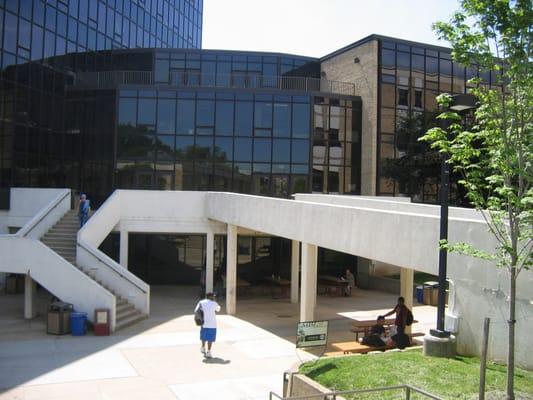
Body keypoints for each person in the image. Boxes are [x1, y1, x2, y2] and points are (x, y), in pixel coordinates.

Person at [194, 292, 220, 358]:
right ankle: (208, 351)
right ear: (210, 297)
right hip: (212, 324)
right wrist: (215, 302)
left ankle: (203, 347)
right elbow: (218, 309)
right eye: (213, 296)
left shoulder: (201, 302)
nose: (214, 297)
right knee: (210, 339)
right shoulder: (214, 303)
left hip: (204, 323)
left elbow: (196, 310)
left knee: (203, 336)